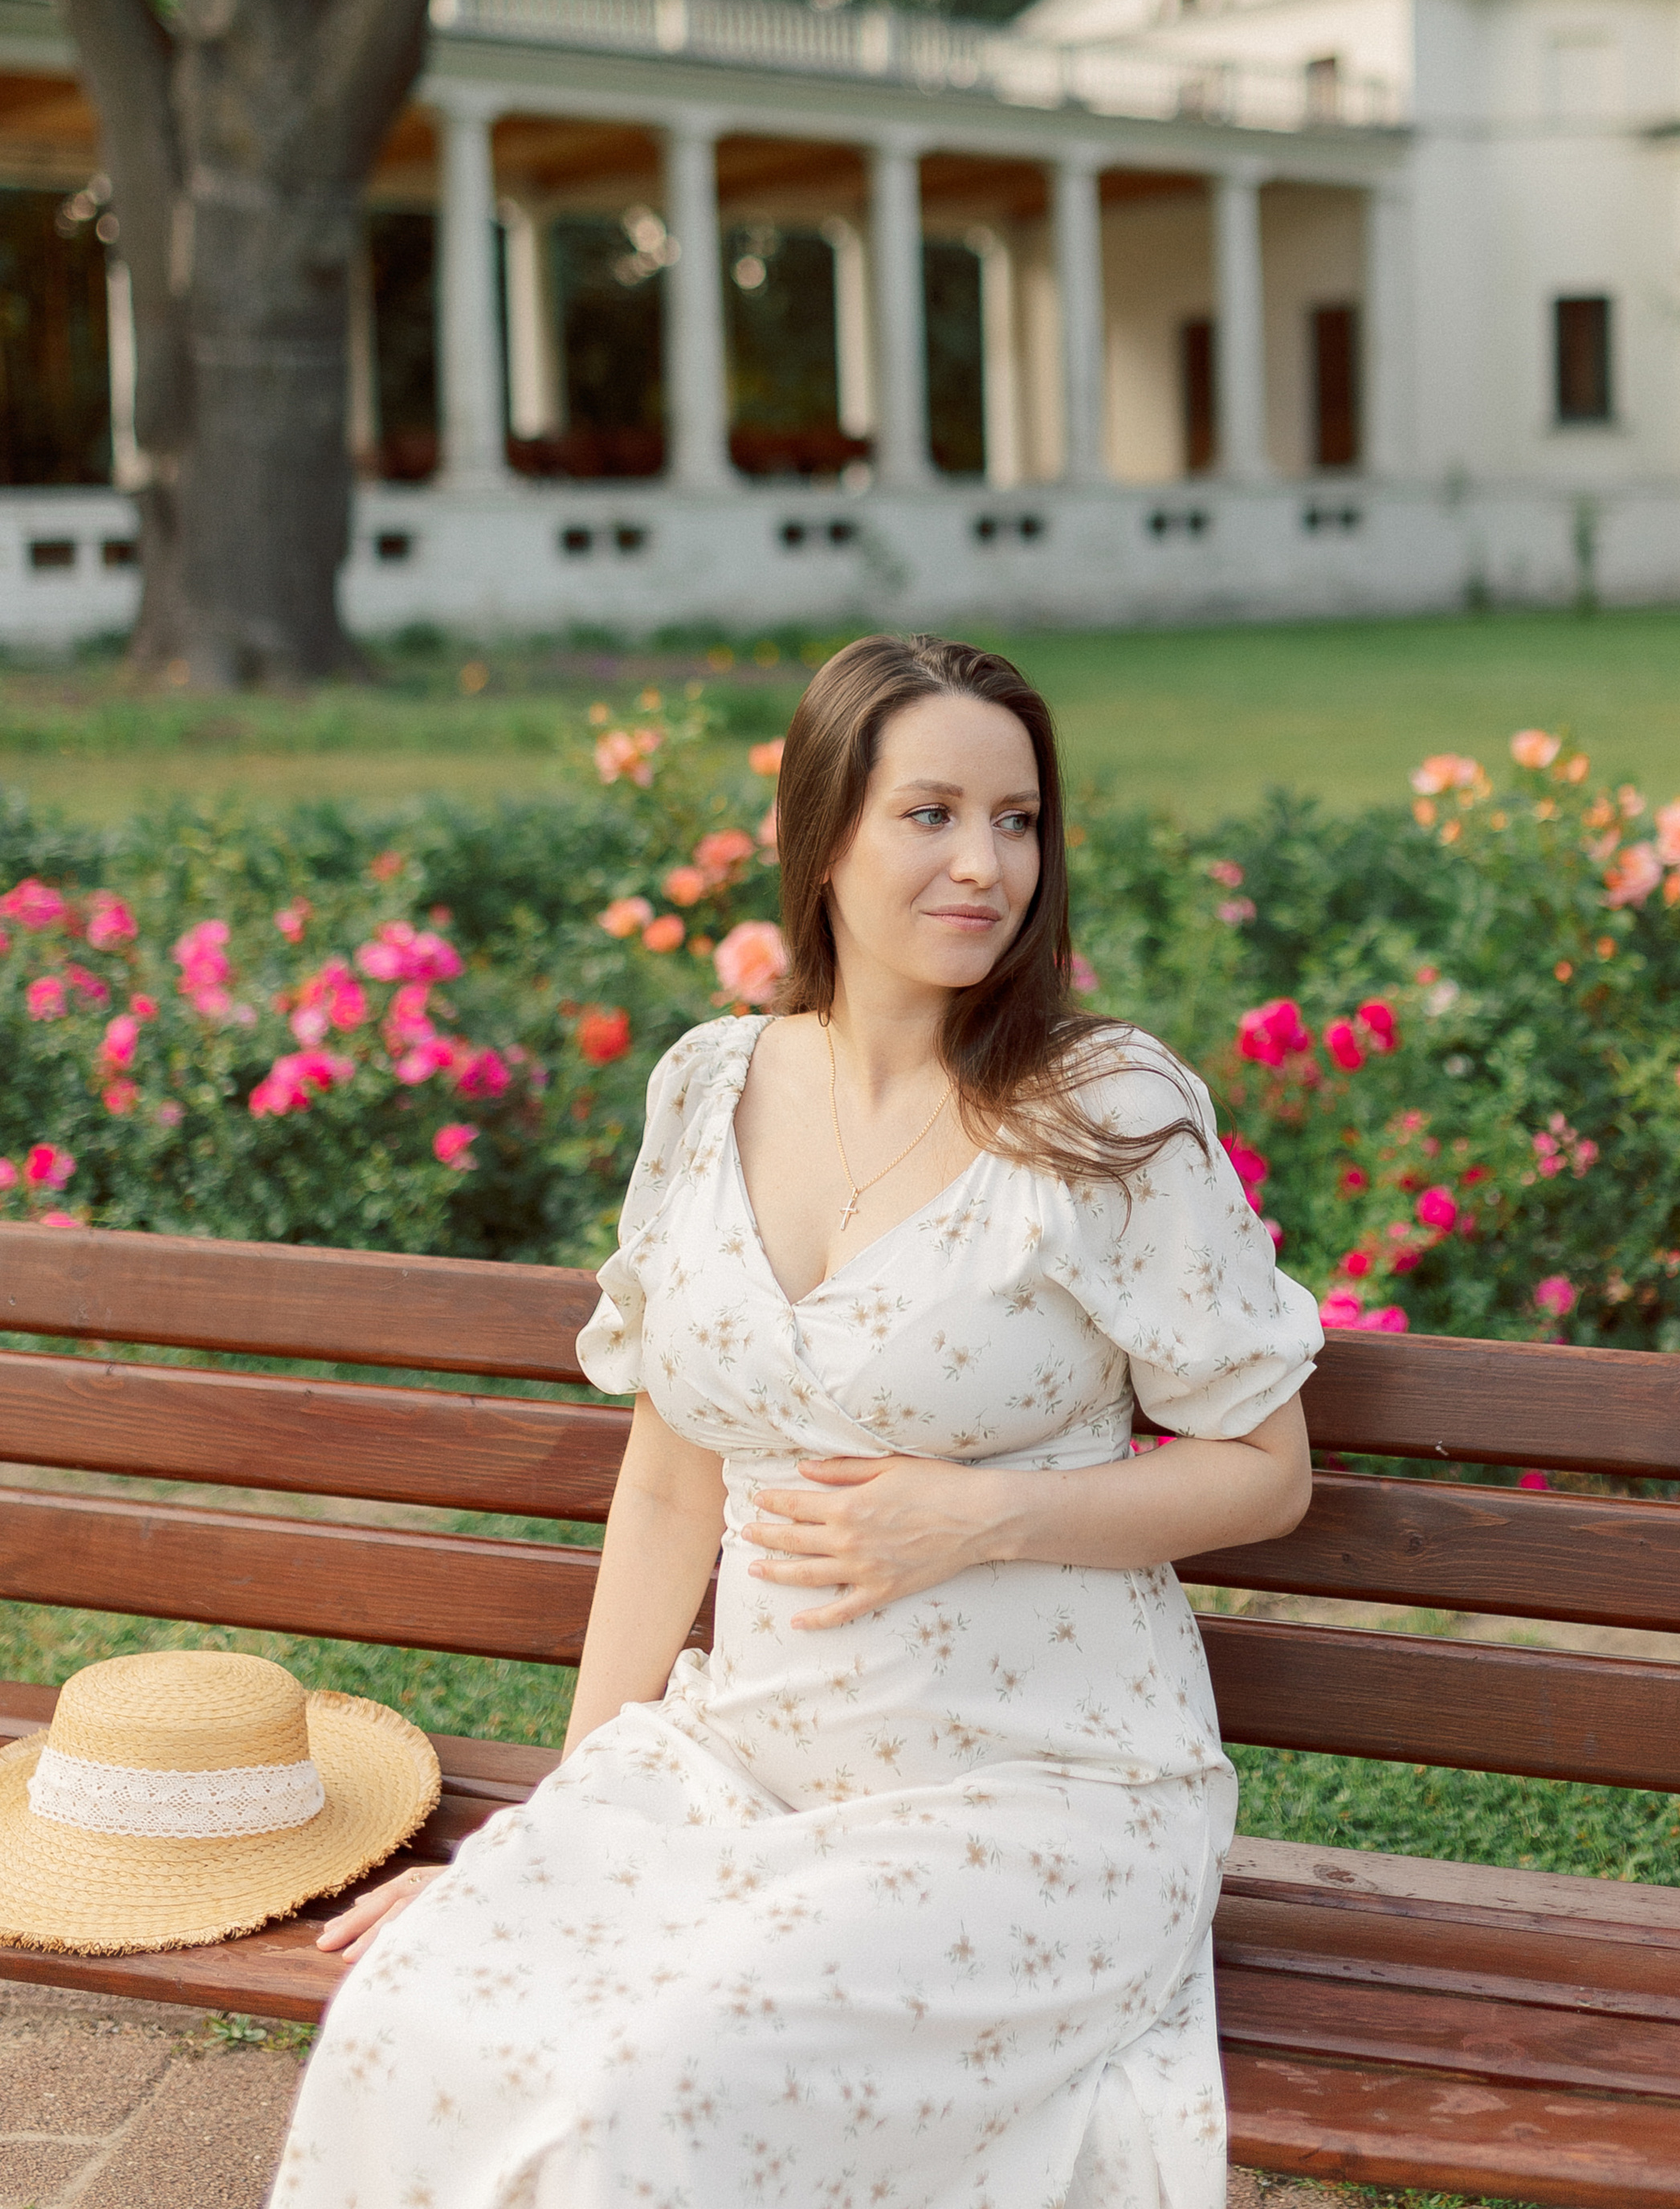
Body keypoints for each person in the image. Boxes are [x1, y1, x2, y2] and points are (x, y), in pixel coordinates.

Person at [271, 632, 1321, 2209]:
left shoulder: (1103, 1114)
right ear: (822, 834)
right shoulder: (710, 1088)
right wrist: (561, 1841)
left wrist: (987, 1517)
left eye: (1018, 820)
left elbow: (1265, 1472)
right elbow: (668, 1484)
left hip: (1033, 1793)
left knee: (662, 2083)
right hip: (740, 1761)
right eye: (931, 814)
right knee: (420, 2018)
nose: (986, 864)